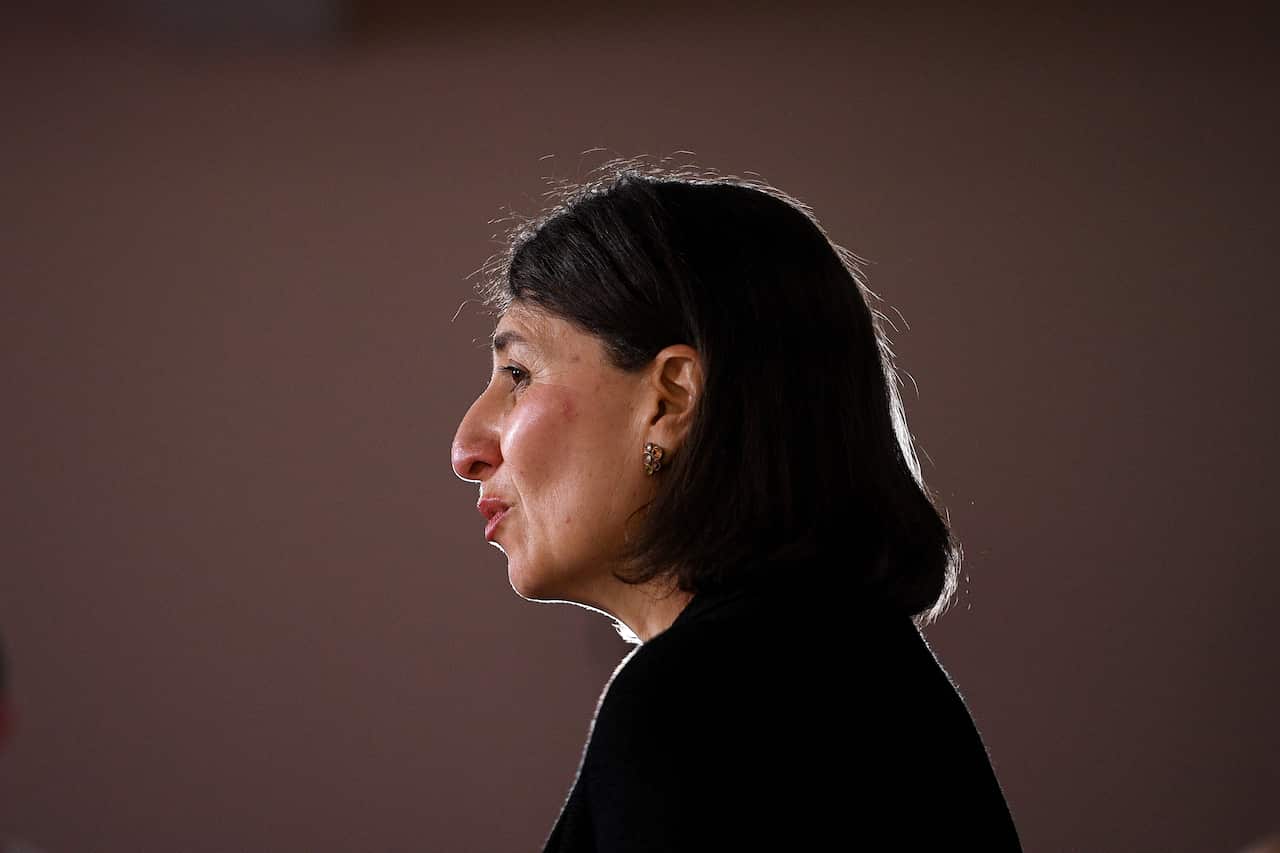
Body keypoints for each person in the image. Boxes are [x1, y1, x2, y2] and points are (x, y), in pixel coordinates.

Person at [450, 158, 1022, 850]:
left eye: (518, 373)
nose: (468, 448)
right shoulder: (853, 677)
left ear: (671, 400)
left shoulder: (702, 704)